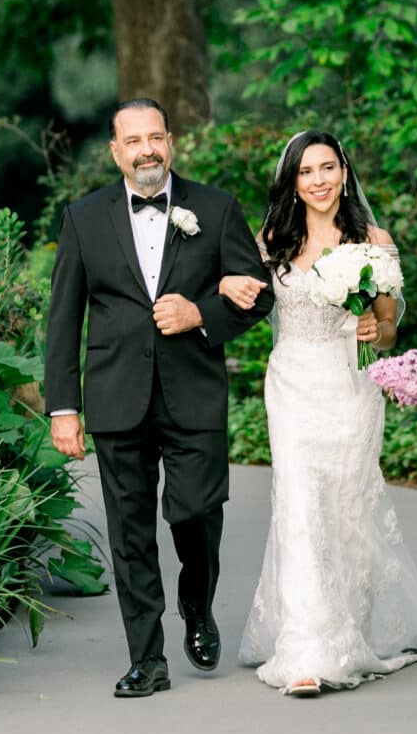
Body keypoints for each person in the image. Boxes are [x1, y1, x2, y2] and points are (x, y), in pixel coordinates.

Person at [221, 130, 417, 696]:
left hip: (351, 386)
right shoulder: (270, 239)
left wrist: (379, 327)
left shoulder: (373, 240)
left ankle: (356, 624)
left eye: (327, 168)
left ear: (344, 172)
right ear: (292, 182)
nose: (318, 180)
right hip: (292, 381)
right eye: (305, 171)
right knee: (299, 503)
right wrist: (225, 280)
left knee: (347, 509)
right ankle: (307, 650)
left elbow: (389, 325)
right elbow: (239, 292)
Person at [44, 98, 274, 698]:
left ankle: (197, 605)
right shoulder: (83, 218)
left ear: (170, 141)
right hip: (117, 396)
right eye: (134, 141)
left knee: (196, 511)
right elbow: (63, 320)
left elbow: (261, 296)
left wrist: (202, 311)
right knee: (130, 532)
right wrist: (63, 407)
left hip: (193, 389)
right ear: (116, 151)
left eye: (156, 138)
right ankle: (147, 658)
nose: (147, 150)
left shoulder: (216, 209)